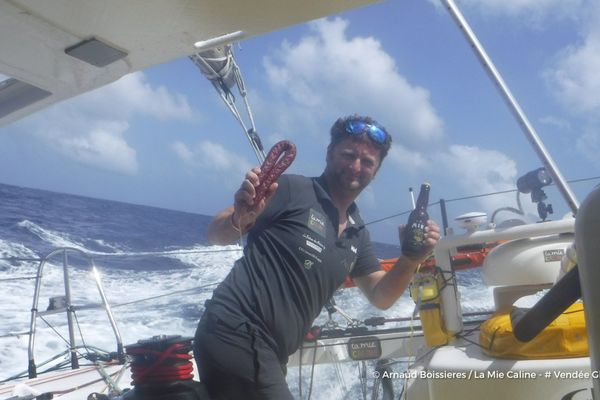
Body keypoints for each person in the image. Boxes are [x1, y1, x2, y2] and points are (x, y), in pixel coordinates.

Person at [194, 115, 441, 399]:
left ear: (377, 171)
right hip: (234, 331)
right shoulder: (291, 190)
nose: (356, 166)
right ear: (328, 154)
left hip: (269, 353)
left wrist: (410, 259)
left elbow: (381, 296)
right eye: (348, 155)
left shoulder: (357, 232)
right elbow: (215, 233)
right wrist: (240, 217)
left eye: (367, 162)